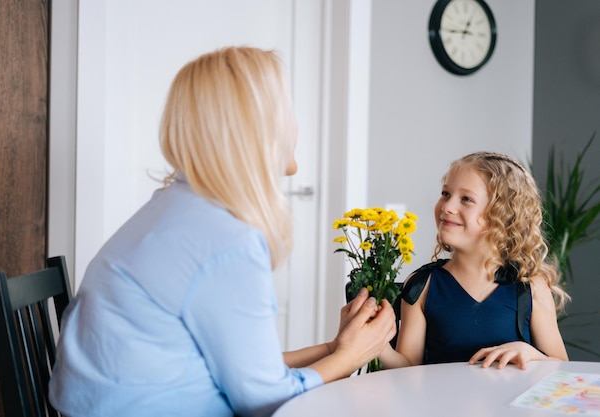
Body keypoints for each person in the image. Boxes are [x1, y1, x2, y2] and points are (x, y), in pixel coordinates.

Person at [49, 46, 396, 417]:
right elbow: (263, 400)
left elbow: (241, 368)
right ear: (257, 126)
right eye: (286, 108)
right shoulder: (225, 240)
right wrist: (350, 357)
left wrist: (333, 349)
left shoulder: (174, 207)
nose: (295, 123)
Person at [379, 151, 569, 370]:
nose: (447, 206)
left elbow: (561, 367)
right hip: (440, 404)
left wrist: (530, 353)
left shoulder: (529, 285)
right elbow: (408, 369)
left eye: (466, 199)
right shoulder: (423, 284)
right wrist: (378, 347)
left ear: (502, 214)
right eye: (446, 193)